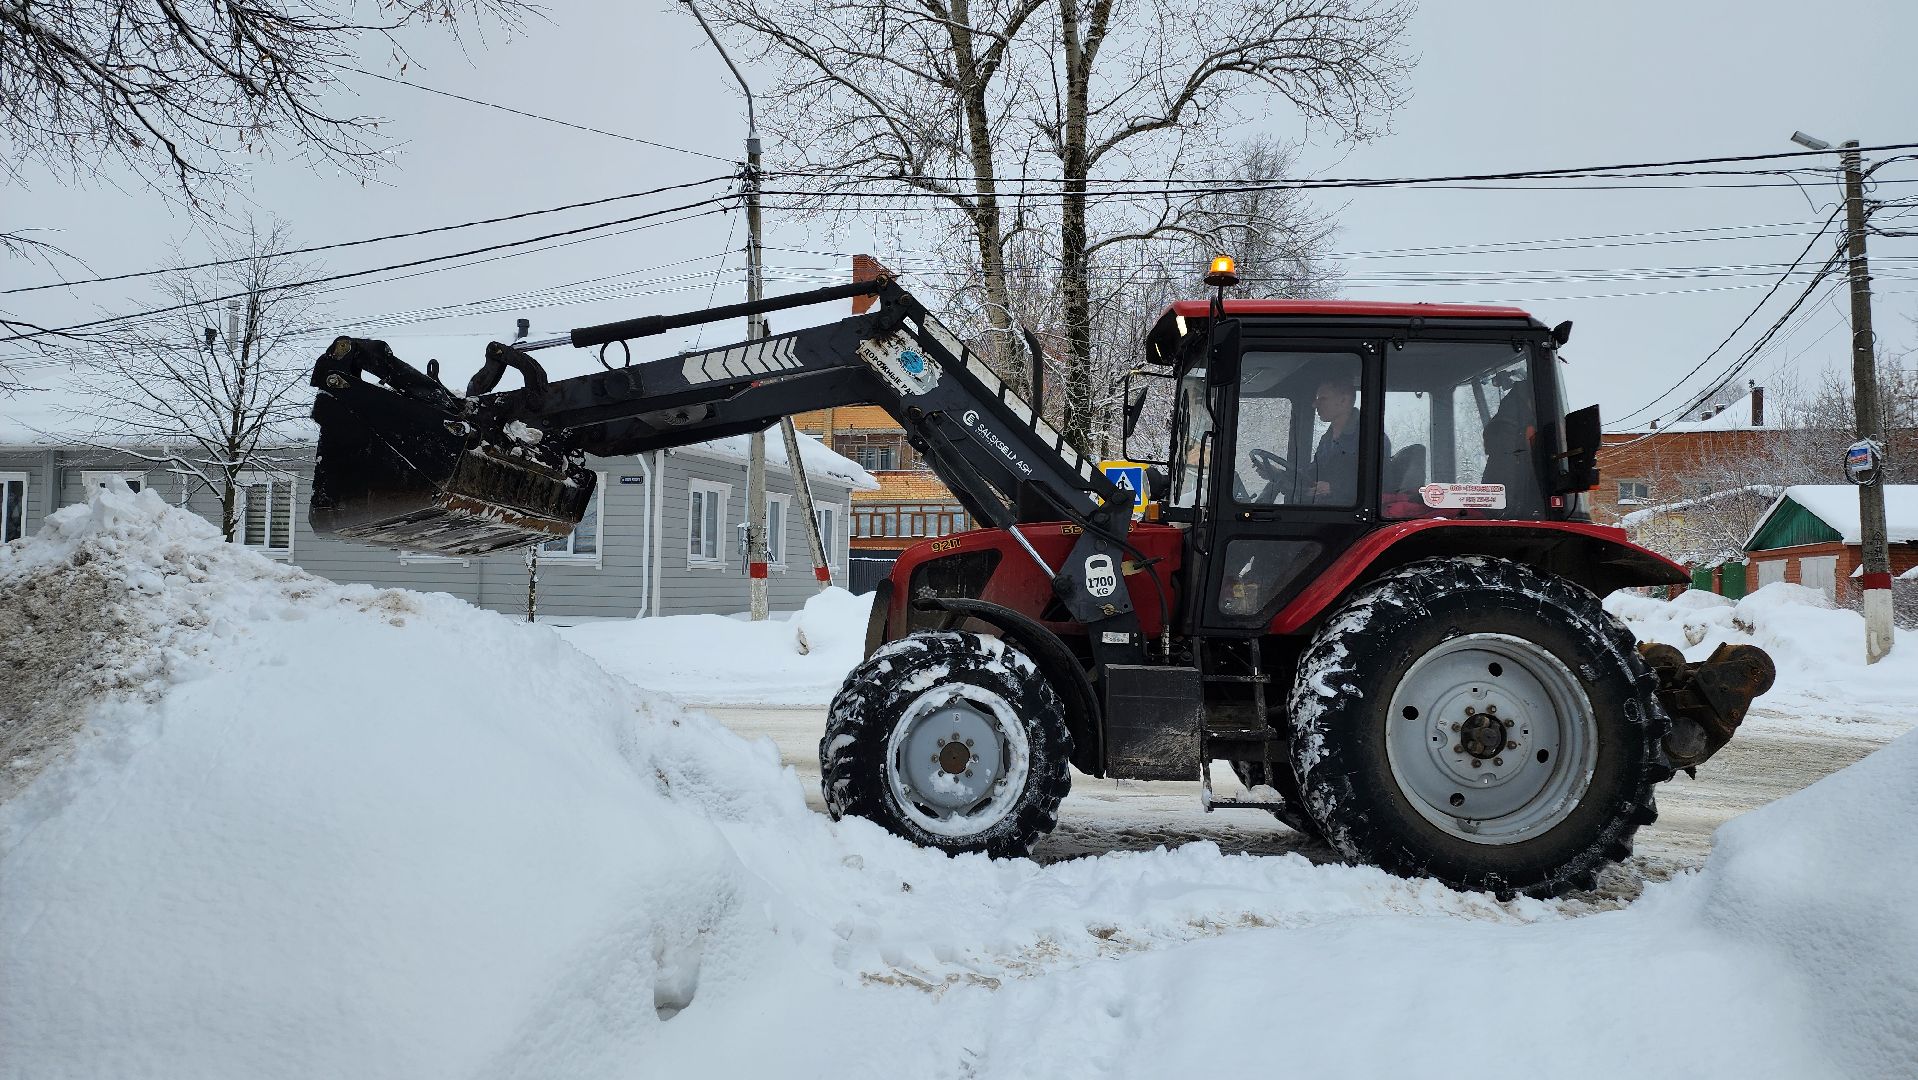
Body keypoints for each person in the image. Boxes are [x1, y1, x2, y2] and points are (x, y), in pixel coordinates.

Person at [1309, 375, 1382, 504]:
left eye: (1323, 398)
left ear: (1343, 400)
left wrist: (1333, 488)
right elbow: (1316, 470)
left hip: (1349, 512)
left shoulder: (1370, 439)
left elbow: (1380, 483)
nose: (1315, 404)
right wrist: (1286, 474)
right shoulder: (1327, 439)